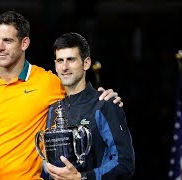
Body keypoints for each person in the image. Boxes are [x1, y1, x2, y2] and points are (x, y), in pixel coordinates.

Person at [0, 10, 123, 180]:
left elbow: (82, 94)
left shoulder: (48, 82)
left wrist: (105, 96)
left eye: (7, 40)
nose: (0, 47)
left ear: (24, 43)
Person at [45, 32, 135, 180]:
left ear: (86, 63)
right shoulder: (53, 109)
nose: (65, 67)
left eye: (71, 59)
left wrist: (82, 177)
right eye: (60, 60)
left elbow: (124, 163)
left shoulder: (105, 105)